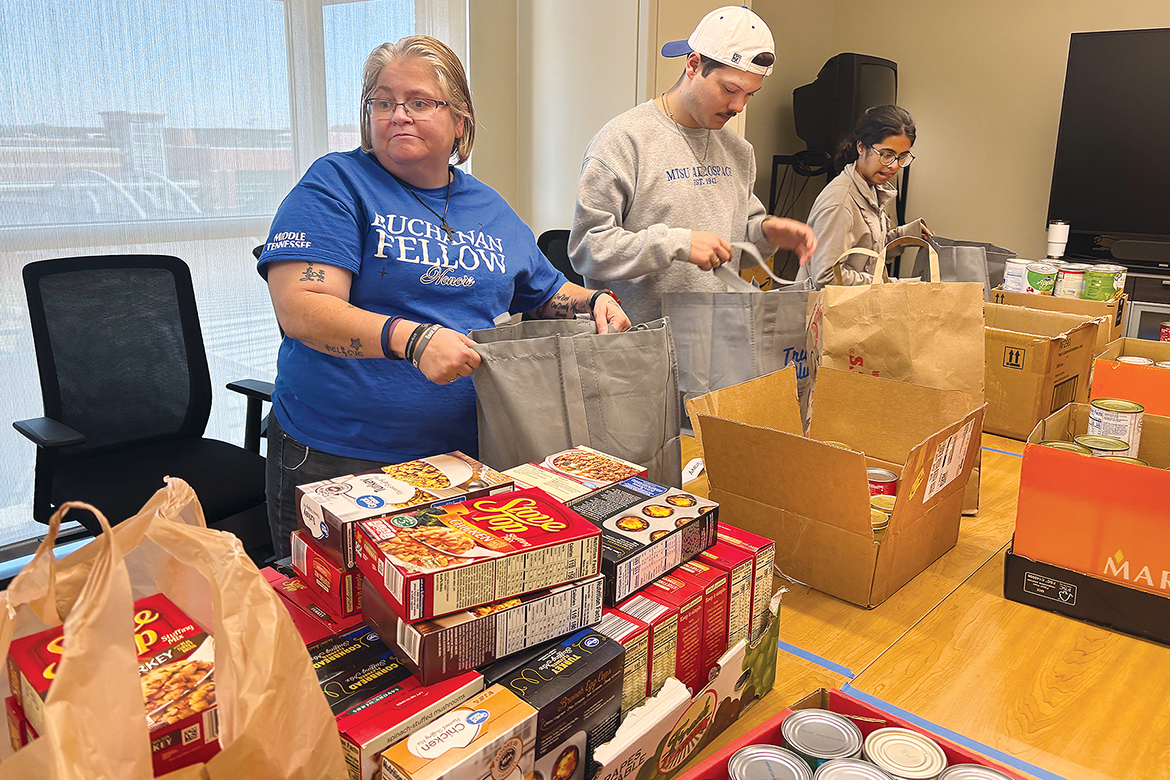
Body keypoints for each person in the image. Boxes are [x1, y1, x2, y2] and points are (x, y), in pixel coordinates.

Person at [257, 36, 631, 558]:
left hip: (464, 457)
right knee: (340, 628)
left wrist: (593, 303)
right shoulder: (336, 184)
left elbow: (545, 291)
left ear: (460, 119)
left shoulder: (487, 205)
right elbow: (302, 307)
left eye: (419, 102)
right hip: (343, 456)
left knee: (442, 622)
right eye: (382, 102)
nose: (397, 115)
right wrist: (413, 341)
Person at [569, 5, 816, 325]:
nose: (738, 106)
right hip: (637, 349)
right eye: (729, 89)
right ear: (694, 64)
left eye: (750, 95)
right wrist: (676, 243)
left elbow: (735, 244)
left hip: (716, 347)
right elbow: (588, 249)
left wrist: (767, 232)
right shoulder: (623, 142)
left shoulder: (739, 151)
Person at [797, 105, 931, 287]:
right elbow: (826, 277)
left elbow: (867, 249)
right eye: (886, 154)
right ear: (861, 147)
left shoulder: (871, 187)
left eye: (902, 157)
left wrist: (907, 235)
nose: (894, 165)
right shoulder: (840, 201)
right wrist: (886, 285)